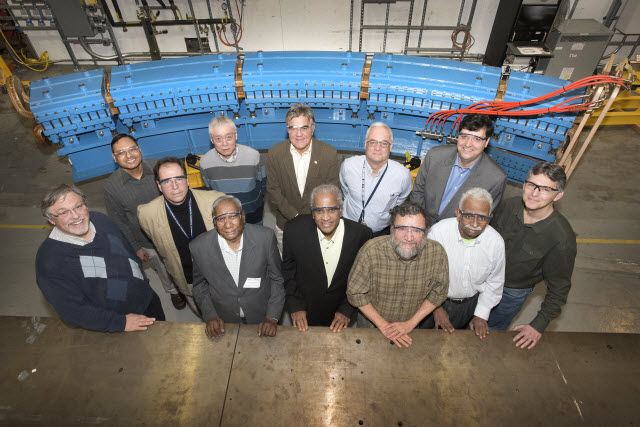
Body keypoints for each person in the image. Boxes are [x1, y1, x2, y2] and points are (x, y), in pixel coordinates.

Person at [35, 184, 164, 332]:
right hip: (115, 323)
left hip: (147, 298)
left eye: (78, 206)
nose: (76, 216)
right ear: (51, 219)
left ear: (85, 203)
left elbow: (126, 250)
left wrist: (142, 279)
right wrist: (120, 323)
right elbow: (73, 312)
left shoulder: (101, 220)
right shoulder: (50, 261)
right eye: (64, 213)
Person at [488, 162, 576, 350]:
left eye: (545, 189)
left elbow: (559, 288)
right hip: (482, 278)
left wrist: (538, 325)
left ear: (558, 195)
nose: (534, 193)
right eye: (531, 184)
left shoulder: (560, 238)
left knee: (490, 332)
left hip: (510, 293)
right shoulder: (510, 206)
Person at [347, 202, 449, 348]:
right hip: (371, 326)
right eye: (402, 229)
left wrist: (410, 324)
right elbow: (355, 293)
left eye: (416, 230)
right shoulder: (371, 251)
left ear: (425, 232)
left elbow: (439, 293)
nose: (409, 237)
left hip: (411, 329)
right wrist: (384, 326)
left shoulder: (437, 253)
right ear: (391, 230)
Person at [104, 134, 187, 310]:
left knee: (185, 261)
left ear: (139, 149)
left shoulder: (160, 167)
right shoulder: (112, 186)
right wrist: (135, 247)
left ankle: (189, 285)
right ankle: (173, 291)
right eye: (121, 152)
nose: (129, 155)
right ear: (114, 157)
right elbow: (118, 220)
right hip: (146, 240)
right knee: (162, 269)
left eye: (132, 149)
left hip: (176, 231)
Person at [190, 195, 285, 338]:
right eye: (221, 219)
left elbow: (277, 279)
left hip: (262, 315)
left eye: (233, 217)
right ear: (214, 221)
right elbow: (199, 286)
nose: (228, 225)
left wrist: (272, 317)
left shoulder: (265, 238)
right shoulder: (199, 247)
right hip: (224, 320)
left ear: (243, 216)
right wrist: (210, 315)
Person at [137, 157, 224, 312]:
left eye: (179, 179)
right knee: (205, 314)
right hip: (187, 279)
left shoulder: (215, 201)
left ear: (187, 180)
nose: (175, 186)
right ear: (159, 186)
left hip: (220, 274)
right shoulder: (147, 214)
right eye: (167, 181)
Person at [283, 184, 372, 332]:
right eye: (319, 211)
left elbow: (364, 278)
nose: (325, 217)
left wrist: (347, 309)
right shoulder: (293, 230)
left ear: (341, 210)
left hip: (341, 314)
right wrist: (296, 305)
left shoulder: (361, 235)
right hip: (305, 309)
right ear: (312, 212)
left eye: (331, 210)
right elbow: (288, 271)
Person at [422, 188, 505, 339]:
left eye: (482, 218)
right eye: (468, 216)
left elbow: (495, 281)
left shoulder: (496, 242)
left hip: (467, 306)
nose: (474, 224)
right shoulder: (438, 233)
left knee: (450, 343)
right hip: (430, 301)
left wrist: (482, 313)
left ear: (490, 217)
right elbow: (424, 273)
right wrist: (436, 307)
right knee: (420, 339)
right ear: (458, 213)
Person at [410, 113, 507, 225]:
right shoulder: (435, 155)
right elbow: (417, 192)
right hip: (421, 224)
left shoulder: (496, 179)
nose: (468, 144)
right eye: (464, 136)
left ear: (486, 142)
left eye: (477, 139)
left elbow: (481, 219)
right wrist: (418, 224)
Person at [266, 103, 339, 250]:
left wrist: (314, 217)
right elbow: (273, 190)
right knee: (286, 263)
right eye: (293, 128)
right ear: (287, 129)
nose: (298, 134)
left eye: (304, 127)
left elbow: (332, 191)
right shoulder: (275, 153)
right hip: (285, 223)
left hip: (318, 224)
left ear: (313, 128)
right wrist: (294, 215)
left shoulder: (328, 153)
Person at [340, 122, 412, 236]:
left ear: (391, 146)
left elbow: (400, 200)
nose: (377, 148)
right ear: (365, 144)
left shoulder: (402, 175)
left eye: (384, 143)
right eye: (372, 142)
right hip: (348, 228)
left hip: (380, 233)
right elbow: (345, 190)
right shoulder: (348, 166)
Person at [199, 116, 266, 224]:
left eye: (228, 137)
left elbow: (263, 185)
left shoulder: (253, 156)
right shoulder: (205, 162)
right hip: (225, 218)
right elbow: (210, 191)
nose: (224, 143)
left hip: (252, 213)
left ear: (236, 135)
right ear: (211, 139)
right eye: (218, 138)